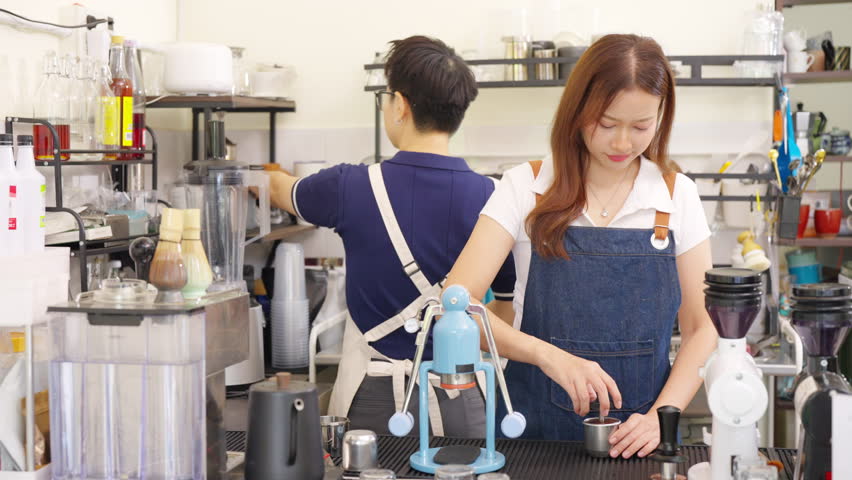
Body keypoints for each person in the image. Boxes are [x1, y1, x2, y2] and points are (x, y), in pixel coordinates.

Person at [443, 34, 717, 458]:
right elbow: (456, 305)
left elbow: (702, 328)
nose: (623, 143)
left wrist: (664, 414)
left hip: (641, 440)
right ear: (577, 110)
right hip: (532, 435)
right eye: (606, 123)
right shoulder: (526, 187)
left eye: (642, 126)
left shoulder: (676, 196)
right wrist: (548, 356)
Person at [266, 35, 516, 437]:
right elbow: (502, 311)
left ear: (400, 104)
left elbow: (282, 190)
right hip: (464, 400)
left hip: (374, 404)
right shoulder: (493, 195)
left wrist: (256, 175)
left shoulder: (351, 186)